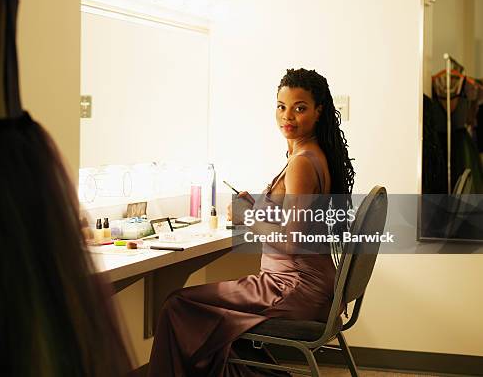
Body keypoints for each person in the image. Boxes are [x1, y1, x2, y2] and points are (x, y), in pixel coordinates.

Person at [147, 68, 355, 376]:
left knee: (178, 305)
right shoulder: (312, 154)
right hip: (310, 285)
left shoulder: (302, 163)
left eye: (300, 108)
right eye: (281, 106)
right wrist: (259, 206)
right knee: (208, 319)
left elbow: (292, 240)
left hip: (289, 288)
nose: (288, 116)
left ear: (318, 110)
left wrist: (249, 216)